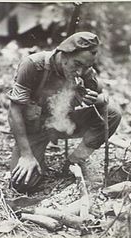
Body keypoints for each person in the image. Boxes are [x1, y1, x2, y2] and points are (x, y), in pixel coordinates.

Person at [7, 32, 121, 193]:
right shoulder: (33, 65)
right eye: (77, 64)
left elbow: (103, 99)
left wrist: (94, 98)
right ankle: (33, 157)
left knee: (113, 112)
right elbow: (14, 112)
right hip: (35, 128)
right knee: (22, 184)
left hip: (63, 122)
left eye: (86, 67)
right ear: (63, 54)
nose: (81, 72)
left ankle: (75, 161)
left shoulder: (85, 71)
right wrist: (26, 155)